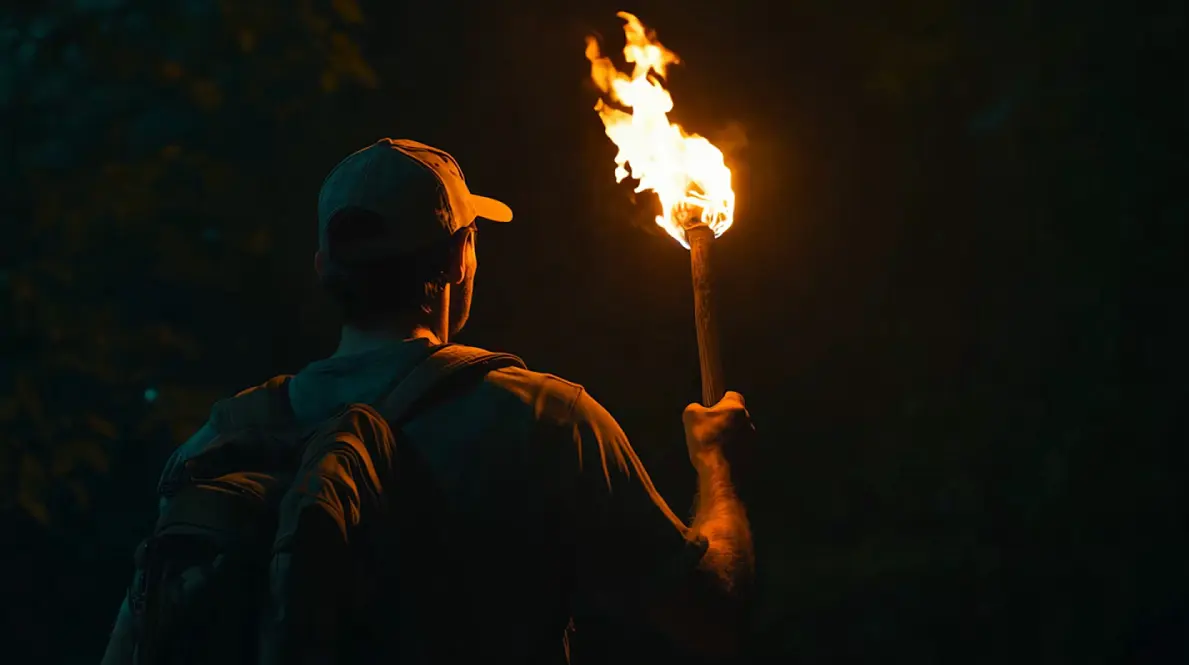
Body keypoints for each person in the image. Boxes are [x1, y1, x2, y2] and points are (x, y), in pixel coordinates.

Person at [102, 138, 756, 663]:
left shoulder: (217, 442)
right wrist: (715, 467)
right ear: (453, 259)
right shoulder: (544, 422)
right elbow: (715, 616)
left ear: (324, 268)